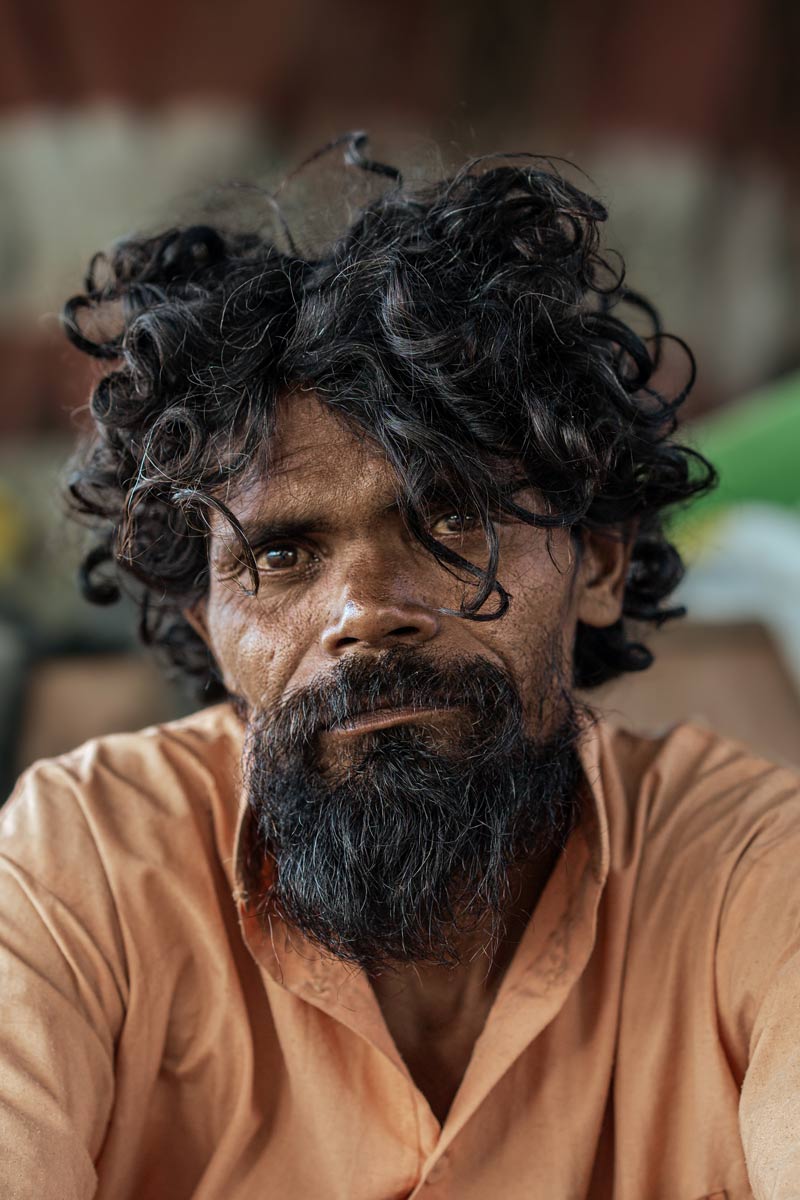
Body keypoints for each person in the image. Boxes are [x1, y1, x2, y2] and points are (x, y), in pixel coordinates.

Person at [1, 136, 798, 1200]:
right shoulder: (78, 870)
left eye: (449, 520)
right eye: (280, 556)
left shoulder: (754, 874)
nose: (365, 614)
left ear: (597, 560)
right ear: (204, 625)